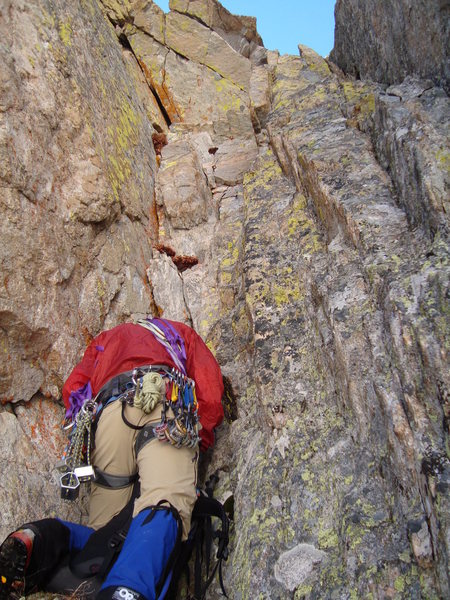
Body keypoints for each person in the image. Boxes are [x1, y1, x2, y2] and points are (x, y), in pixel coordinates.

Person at [0, 317, 224, 600]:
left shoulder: (105, 340)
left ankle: (38, 539)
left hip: (107, 419)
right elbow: (210, 389)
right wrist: (196, 440)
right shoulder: (178, 332)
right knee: (165, 501)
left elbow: (75, 389)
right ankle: (126, 590)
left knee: (103, 533)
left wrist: (87, 450)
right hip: (163, 407)